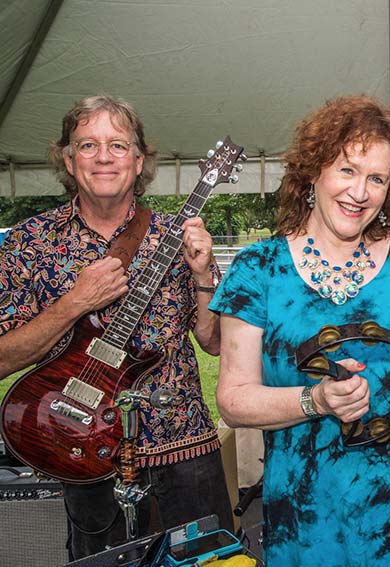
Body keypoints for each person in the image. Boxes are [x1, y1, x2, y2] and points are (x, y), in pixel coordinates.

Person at [211, 95, 390, 566]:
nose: (360, 192)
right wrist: (316, 400)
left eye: (377, 179)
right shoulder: (257, 269)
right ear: (314, 171)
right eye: (347, 170)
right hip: (311, 513)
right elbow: (233, 399)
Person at [0, 95, 233, 559]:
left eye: (118, 145)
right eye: (88, 145)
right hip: (78, 449)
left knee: (211, 561)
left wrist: (204, 274)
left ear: (139, 160)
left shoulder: (177, 236)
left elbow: (214, 342)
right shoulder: (29, 243)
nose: (104, 157)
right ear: (69, 160)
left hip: (184, 447)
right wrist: (74, 303)